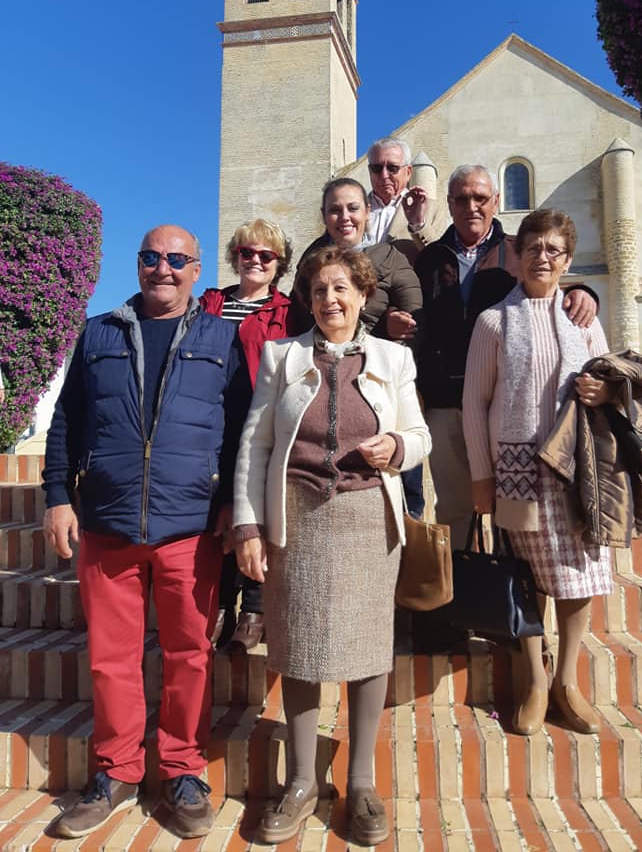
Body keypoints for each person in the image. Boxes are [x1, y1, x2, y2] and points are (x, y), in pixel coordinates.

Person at [42, 226, 251, 839]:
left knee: (189, 655)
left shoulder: (222, 338)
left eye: (176, 259)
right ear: (137, 265)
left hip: (191, 524)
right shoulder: (97, 333)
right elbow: (66, 420)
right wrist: (57, 496)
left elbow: (243, 429)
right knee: (111, 659)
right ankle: (116, 771)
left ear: (196, 270)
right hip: (107, 521)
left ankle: (183, 771)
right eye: (151, 257)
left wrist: (232, 504)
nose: (163, 267)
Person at [233, 247, 431, 845]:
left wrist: (397, 447)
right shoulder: (282, 356)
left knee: (369, 648)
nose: (330, 300)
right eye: (319, 290)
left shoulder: (394, 357)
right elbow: (255, 445)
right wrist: (247, 526)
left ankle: (362, 783)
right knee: (299, 648)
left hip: (369, 519)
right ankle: (301, 782)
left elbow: (420, 434)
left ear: (363, 294)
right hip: (297, 520)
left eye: (342, 288)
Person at [462, 208, 612, 737]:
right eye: (533, 248)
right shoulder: (494, 322)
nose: (542, 258)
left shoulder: (584, 320)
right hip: (518, 471)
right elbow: (474, 402)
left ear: (567, 260)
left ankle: (567, 682)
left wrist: (603, 390)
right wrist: (481, 475)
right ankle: (534, 679)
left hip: (578, 471)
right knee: (523, 578)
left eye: (553, 250)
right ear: (517, 257)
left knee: (578, 576)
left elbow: (612, 380)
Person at [415, 165, 598, 551]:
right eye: (462, 198)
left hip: (504, 407)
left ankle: (507, 585)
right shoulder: (430, 259)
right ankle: (459, 585)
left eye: (480, 198)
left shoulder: (519, 250)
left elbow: (548, 284)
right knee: (454, 509)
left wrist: (583, 292)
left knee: (510, 514)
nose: (472, 206)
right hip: (446, 403)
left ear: (496, 201)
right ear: (449, 204)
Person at [295, 177, 425, 516]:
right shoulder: (311, 262)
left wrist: (393, 328)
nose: (345, 217)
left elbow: (418, 321)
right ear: (324, 216)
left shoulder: (392, 259)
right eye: (334, 210)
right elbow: (301, 321)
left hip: (380, 385)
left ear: (367, 211)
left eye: (352, 208)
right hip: (323, 381)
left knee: (402, 488)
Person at [201, 219, 294, 652]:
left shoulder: (288, 311)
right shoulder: (210, 303)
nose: (255, 260)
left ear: (278, 263)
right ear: (235, 257)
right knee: (217, 510)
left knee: (257, 509)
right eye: (247, 253)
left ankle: (255, 605)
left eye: (265, 255)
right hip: (212, 422)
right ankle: (220, 602)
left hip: (263, 423)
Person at [366, 137, 448, 261]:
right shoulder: (352, 209)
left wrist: (418, 225)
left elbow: (440, 259)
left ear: (408, 172)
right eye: (376, 169)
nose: (384, 175)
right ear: (370, 171)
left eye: (392, 168)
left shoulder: (432, 210)